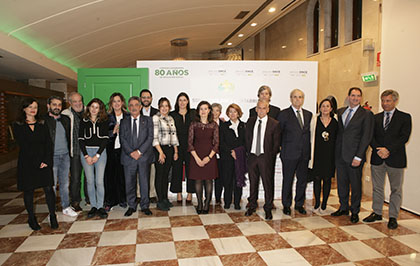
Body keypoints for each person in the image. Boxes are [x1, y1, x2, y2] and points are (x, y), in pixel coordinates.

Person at [363, 90, 412, 229]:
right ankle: (377, 212)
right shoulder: (375, 118)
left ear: (395, 101)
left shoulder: (405, 117)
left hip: (395, 159)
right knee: (377, 188)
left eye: (388, 101)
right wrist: (379, 149)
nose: (385, 104)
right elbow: (370, 136)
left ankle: (392, 217)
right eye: (383, 100)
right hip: (377, 158)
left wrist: (388, 150)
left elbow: (404, 137)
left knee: (396, 189)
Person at [13, 98, 58, 230]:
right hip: (27, 163)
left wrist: (46, 161)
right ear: (24, 108)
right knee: (29, 191)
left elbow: (48, 144)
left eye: (36, 107)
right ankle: (31, 218)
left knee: (49, 189)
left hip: (44, 163)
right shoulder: (18, 125)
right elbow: (24, 145)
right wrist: (38, 162)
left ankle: (52, 215)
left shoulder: (42, 124)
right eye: (30, 107)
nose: (33, 109)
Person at [332, 87, 374, 223]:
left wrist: (359, 156)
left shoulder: (366, 114)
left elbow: (366, 137)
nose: (355, 98)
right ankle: (343, 206)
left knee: (355, 185)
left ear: (361, 98)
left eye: (358, 96)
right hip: (340, 155)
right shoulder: (340, 112)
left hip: (355, 156)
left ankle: (355, 211)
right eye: (353, 95)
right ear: (348, 96)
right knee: (342, 182)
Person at [277, 89, 312, 215]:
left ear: (303, 99)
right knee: (288, 180)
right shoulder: (283, 114)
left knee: (302, 180)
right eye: (295, 97)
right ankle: (286, 204)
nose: (298, 99)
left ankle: (299, 204)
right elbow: (278, 133)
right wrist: (281, 148)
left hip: (304, 154)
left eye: (300, 97)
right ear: (291, 99)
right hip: (289, 153)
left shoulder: (308, 114)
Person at [245, 100, 281, 220]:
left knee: (267, 184)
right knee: (253, 183)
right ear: (256, 109)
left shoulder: (274, 124)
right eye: (259, 108)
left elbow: (276, 144)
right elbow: (247, 138)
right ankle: (252, 206)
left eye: (263, 108)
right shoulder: (250, 121)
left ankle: (268, 208)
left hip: (266, 158)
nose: (261, 110)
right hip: (252, 157)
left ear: (268, 109)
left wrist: (269, 156)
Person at [120, 96, 154, 217]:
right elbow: (122, 139)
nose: (134, 107)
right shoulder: (123, 121)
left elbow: (150, 138)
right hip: (128, 158)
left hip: (143, 157)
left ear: (140, 107)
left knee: (144, 182)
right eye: (131, 105)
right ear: (128, 108)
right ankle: (132, 206)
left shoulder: (148, 120)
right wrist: (131, 153)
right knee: (129, 183)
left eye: (136, 105)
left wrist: (139, 152)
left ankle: (145, 206)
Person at [44, 96, 77, 217]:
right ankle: (51, 209)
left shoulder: (66, 119)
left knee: (64, 183)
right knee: (51, 184)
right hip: (51, 156)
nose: (57, 107)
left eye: (59, 105)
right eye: (54, 104)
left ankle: (66, 206)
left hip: (65, 155)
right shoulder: (43, 121)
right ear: (48, 106)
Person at [78, 98, 109, 219]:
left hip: (100, 153)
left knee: (99, 181)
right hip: (86, 152)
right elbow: (81, 139)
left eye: (97, 107)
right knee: (90, 181)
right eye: (92, 107)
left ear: (100, 109)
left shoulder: (104, 121)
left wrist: (97, 155)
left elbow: (105, 138)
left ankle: (101, 206)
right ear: (88, 108)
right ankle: (93, 206)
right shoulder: (83, 120)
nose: (94, 109)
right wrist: (86, 155)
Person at [188, 101, 219, 214]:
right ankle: (200, 204)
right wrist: (196, 158)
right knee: (198, 180)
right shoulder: (193, 124)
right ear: (198, 111)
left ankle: (206, 205)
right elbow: (190, 143)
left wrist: (209, 158)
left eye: (205, 109)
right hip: (196, 155)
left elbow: (216, 144)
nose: (203, 111)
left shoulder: (214, 125)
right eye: (201, 109)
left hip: (209, 156)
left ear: (209, 110)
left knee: (209, 181)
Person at [308, 98, 338, 213]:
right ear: (320, 108)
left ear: (331, 108)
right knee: (317, 179)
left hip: (330, 155)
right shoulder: (314, 120)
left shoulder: (335, 122)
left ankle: (324, 202)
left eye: (327, 106)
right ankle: (317, 202)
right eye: (323, 106)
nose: (325, 108)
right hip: (317, 154)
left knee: (327, 179)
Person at [62, 92, 88, 212]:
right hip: (75, 151)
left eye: (79, 101)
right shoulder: (65, 114)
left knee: (89, 177)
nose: (78, 104)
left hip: (89, 150)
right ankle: (75, 201)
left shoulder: (88, 111)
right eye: (75, 101)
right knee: (76, 178)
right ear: (70, 103)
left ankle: (89, 199)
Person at [104, 93, 130, 211]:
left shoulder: (128, 116)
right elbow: (103, 135)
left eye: (118, 101)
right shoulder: (107, 117)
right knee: (110, 176)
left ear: (122, 102)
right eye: (114, 101)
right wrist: (113, 132)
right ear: (111, 103)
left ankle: (122, 199)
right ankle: (110, 200)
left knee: (122, 176)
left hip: (124, 151)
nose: (116, 103)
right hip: (110, 150)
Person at [152, 97, 179, 211]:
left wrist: (176, 151)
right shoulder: (155, 118)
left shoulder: (171, 118)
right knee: (160, 175)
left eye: (166, 106)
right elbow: (154, 137)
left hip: (169, 149)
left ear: (169, 107)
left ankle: (165, 198)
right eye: (162, 106)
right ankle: (160, 200)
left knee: (166, 176)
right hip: (159, 149)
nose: (164, 108)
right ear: (159, 107)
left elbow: (174, 136)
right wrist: (160, 153)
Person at [169, 92, 196, 202]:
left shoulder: (193, 113)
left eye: (184, 100)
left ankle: (190, 193)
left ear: (188, 101)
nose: (182, 102)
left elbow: (205, 118)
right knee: (177, 170)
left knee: (191, 170)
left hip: (191, 146)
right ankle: (178, 193)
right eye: (180, 100)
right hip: (177, 147)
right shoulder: (172, 115)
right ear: (177, 102)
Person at [220, 104, 246, 210]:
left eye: (235, 111)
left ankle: (237, 202)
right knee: (228, 180)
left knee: (238, 180)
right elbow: (221, 142)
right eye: (230, 112)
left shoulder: (244, 125)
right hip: (227, 157)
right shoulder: (223, 126)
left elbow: (246, 141)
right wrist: (231, 151)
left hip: (240, 158)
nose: (232, 114)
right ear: (227, 114)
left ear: (238, 113)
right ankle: (227, 202)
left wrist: (238, 152)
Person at [140, 89, 158, 203]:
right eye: (143, 97)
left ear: (151, 99)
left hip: (153, 147)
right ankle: (139, 195)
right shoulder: (136, 111)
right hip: (139, 147)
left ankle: (151, 195)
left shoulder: (157, 112)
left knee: (152, 172)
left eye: (148, 97)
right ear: (140, 99)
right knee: (139, 173)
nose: (146, 99)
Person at [211, 103, 224, 205]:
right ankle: (207, 197)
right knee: (208, 178)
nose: (214, 113)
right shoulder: (206, 123)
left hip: (220, 155)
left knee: (219, 177)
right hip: (208, 155)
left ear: (220, 112)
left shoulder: (224, 124)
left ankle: (218, 198)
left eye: (217, 110)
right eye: (213, 110)